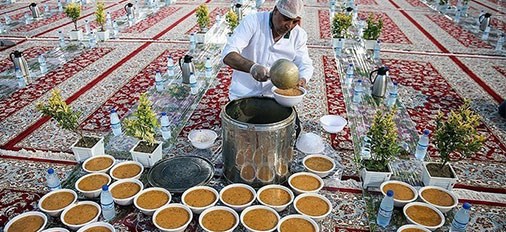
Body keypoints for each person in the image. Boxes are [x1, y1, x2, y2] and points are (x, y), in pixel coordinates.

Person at [221, 0, 314, 100]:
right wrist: (252, 68)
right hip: (244, 93)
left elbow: (305, 64)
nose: (289, 26)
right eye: (286, 19)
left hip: (276, 96)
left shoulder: (299, 35)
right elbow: (228, 54)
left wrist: (303, 79)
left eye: (295, 21)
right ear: (275, 10)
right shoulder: (253, 22)